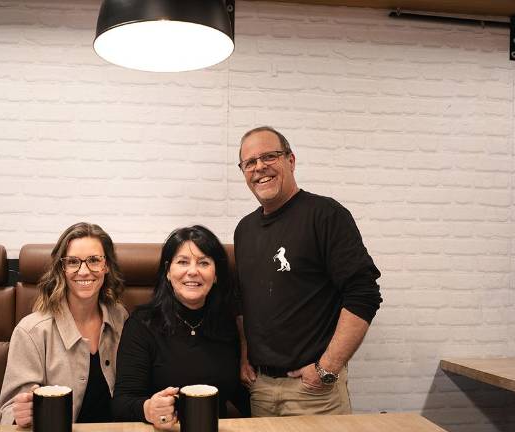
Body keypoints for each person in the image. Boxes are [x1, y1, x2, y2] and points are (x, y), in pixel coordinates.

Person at [234, 126, 382, 416]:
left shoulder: (326, 215)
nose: (259, 167)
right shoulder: (244, 230)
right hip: (260, 390)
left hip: (314, 393)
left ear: (291, 160)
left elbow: (364, 294)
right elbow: (242, 301)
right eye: (249, 162)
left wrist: (326, 369)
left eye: (269, 156)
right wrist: (244, 355)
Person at [0, 222, 129, 425]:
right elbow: (6, 414)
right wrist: (20, 415)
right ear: (62, 268)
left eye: (94, 260)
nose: (84, 271)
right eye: (73, 262)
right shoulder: (31, 331)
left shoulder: (121, 318)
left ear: (107, 266)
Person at [112, 225, 239, 429]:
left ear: (216, 275)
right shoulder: (142, 324)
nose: (192, 271)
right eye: (182, 262)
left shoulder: (228, 324)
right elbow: (121, 403)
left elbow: (241, 395)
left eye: (204, 263)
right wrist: (148, 408)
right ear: (168, 272)